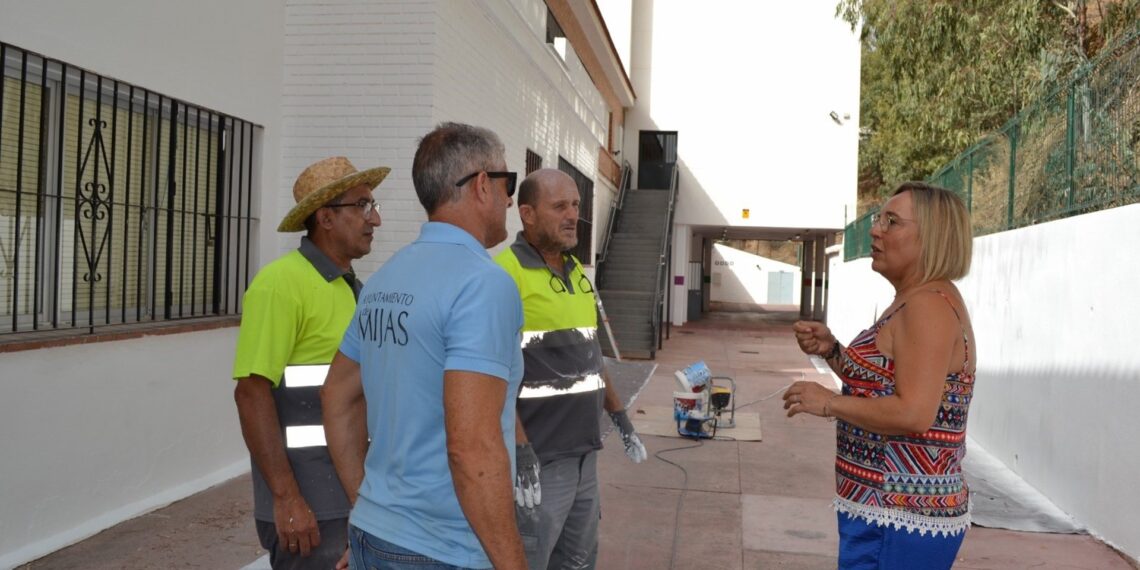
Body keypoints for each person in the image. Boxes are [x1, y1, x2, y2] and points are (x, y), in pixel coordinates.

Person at [322, 122, 528, 569]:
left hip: (373, 535)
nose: (510, 199)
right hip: (444, 548)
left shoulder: (385, 279)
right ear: (482, 185)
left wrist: (370, 509)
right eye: (507, 183)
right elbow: (472, 447)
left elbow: (337, 396)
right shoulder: (484, 284)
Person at [782, 182, 977, 570]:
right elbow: (883, 384)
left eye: (892, 221)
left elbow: (913, 412)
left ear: (932, 237)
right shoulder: (914, 300)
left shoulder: (927, 306)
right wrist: (833, 350)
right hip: (884, 512)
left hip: (899, 516)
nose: (875, 230)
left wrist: (829, 403)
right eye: (878, 219)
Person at [232, 156, 388, 569]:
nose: (375, 219)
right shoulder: (280, 284)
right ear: (326, 218)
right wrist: (287, 497)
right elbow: (250, 393)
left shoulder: (354, 289)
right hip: (311, 507)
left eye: (373, 205)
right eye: (363, 205)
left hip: (353, 496)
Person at [494, 168, 647, 569]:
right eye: (559, 206)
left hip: (585, 458)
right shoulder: (504, 276)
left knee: (578, 562)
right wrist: (521, 451)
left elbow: (591, 358)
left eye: (576, 205)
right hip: (538, 464)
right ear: (527, 213)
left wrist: (620, 418)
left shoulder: (578, 274)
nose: (572, 215)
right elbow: (492, 380)